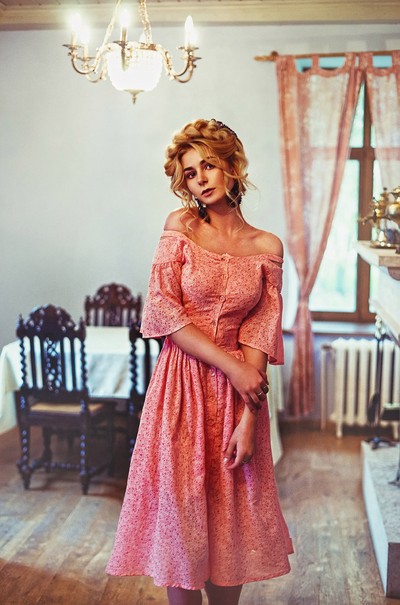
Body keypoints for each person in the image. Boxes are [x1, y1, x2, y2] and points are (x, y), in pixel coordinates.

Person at [106, 118, 293, 605]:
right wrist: (232, 366)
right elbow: (163, 311)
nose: (200, 179)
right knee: (182, 515)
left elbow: (260, 332)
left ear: (233, 166)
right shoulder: (181, 227)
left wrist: (249, 418)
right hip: (180, 389)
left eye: (208, 165)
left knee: (231, 515)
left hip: (237, 399)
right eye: (190, 173)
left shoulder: (267, 247)